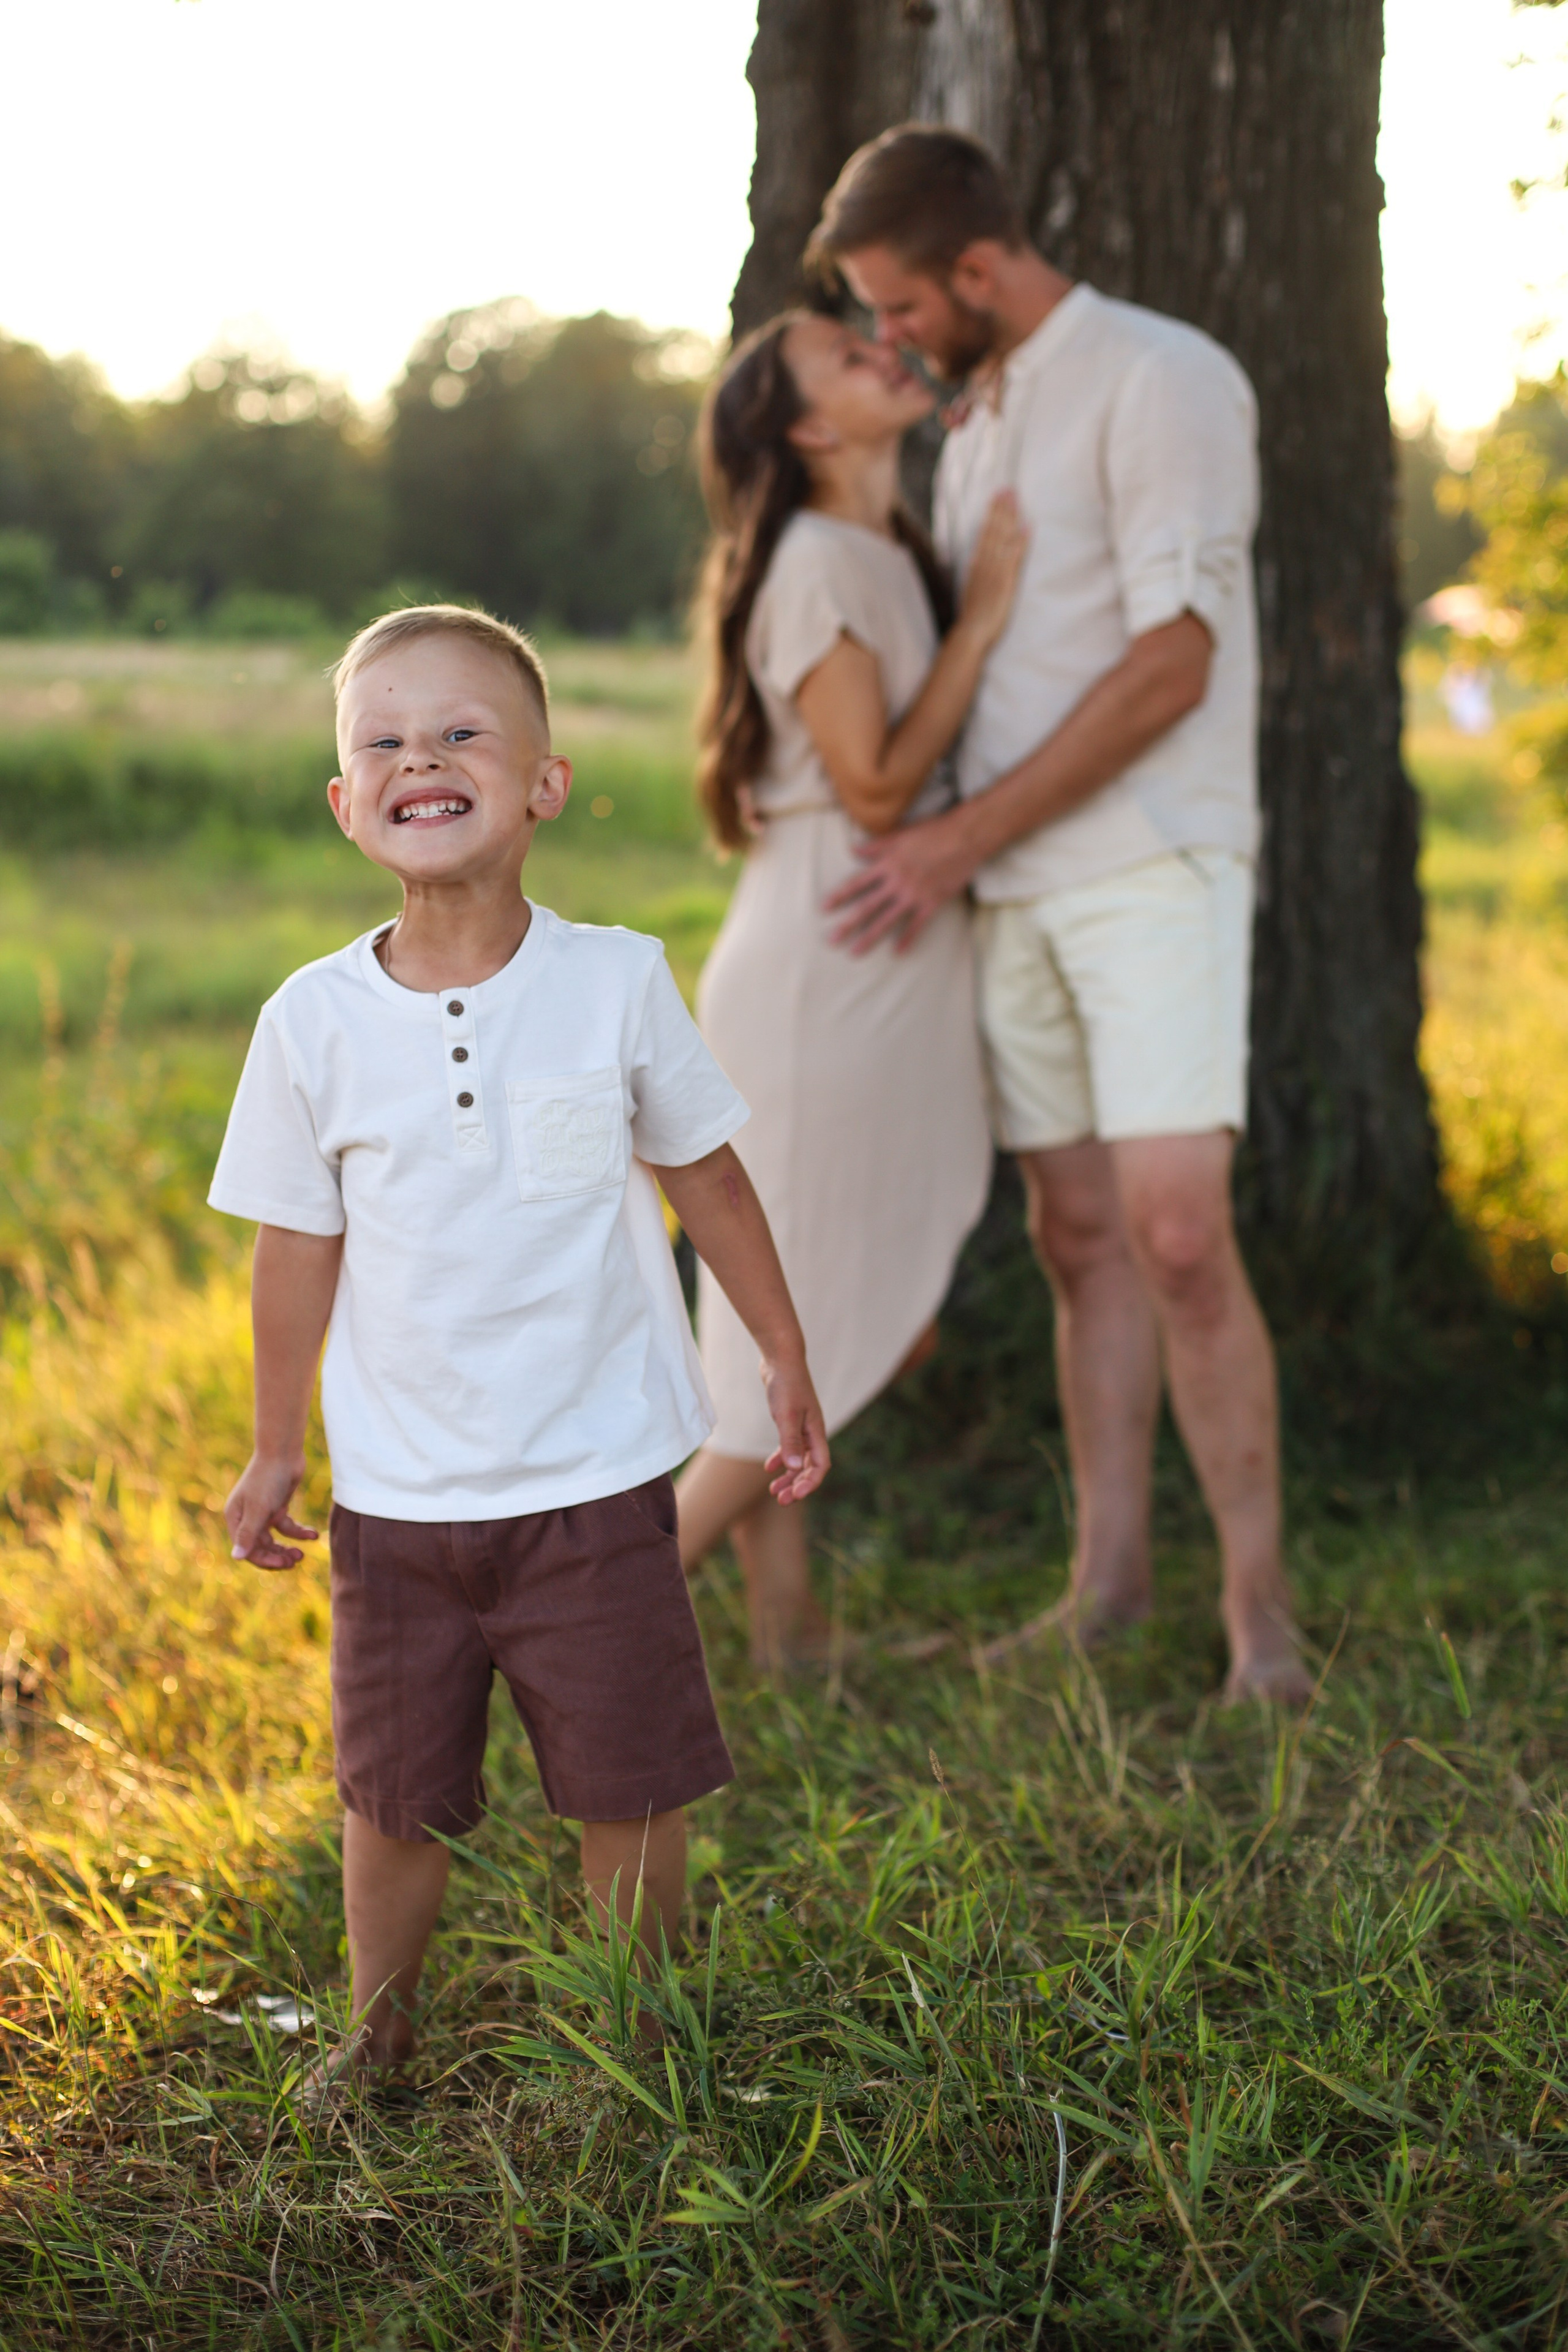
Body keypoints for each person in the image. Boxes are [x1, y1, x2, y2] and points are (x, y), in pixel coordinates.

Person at [211, 605, 830, 2083]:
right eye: (382, 741)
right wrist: (277, 1442)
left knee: (631, 1784)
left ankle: (647, 2030)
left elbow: (710, 1177)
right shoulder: (308, 1023)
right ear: (347, 803)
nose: (420, 756)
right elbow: (295, 1247)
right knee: (393, 1795)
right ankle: (378, 2033)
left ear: (542, 784)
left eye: (461, 732)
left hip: (596, 1488)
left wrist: (782, 1354)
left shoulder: (613, 980)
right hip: (400, 1507)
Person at [805, 126, 1311, 1703]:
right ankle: (1103, 1589)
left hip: (1148, 865)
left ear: (974, 267)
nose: (888, 339)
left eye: (898, 306)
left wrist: (953, 839)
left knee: (1173, 1230)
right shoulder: (972, 428)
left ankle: (1260, 1618)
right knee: (1076, 1237)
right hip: (1004, 890)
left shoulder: (1161, 376)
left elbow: (1175, 661)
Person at [674, 311, 1027, 1672]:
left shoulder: (878, 549)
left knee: (781, 1340)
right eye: (839, 351)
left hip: (862, 953)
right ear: (808, 429)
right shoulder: (817, 558)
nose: (880, 344)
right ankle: (558, 1651)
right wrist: (984, 624)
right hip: (831, 970)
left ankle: (785, 1631)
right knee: (788, 1336)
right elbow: (876, 784)